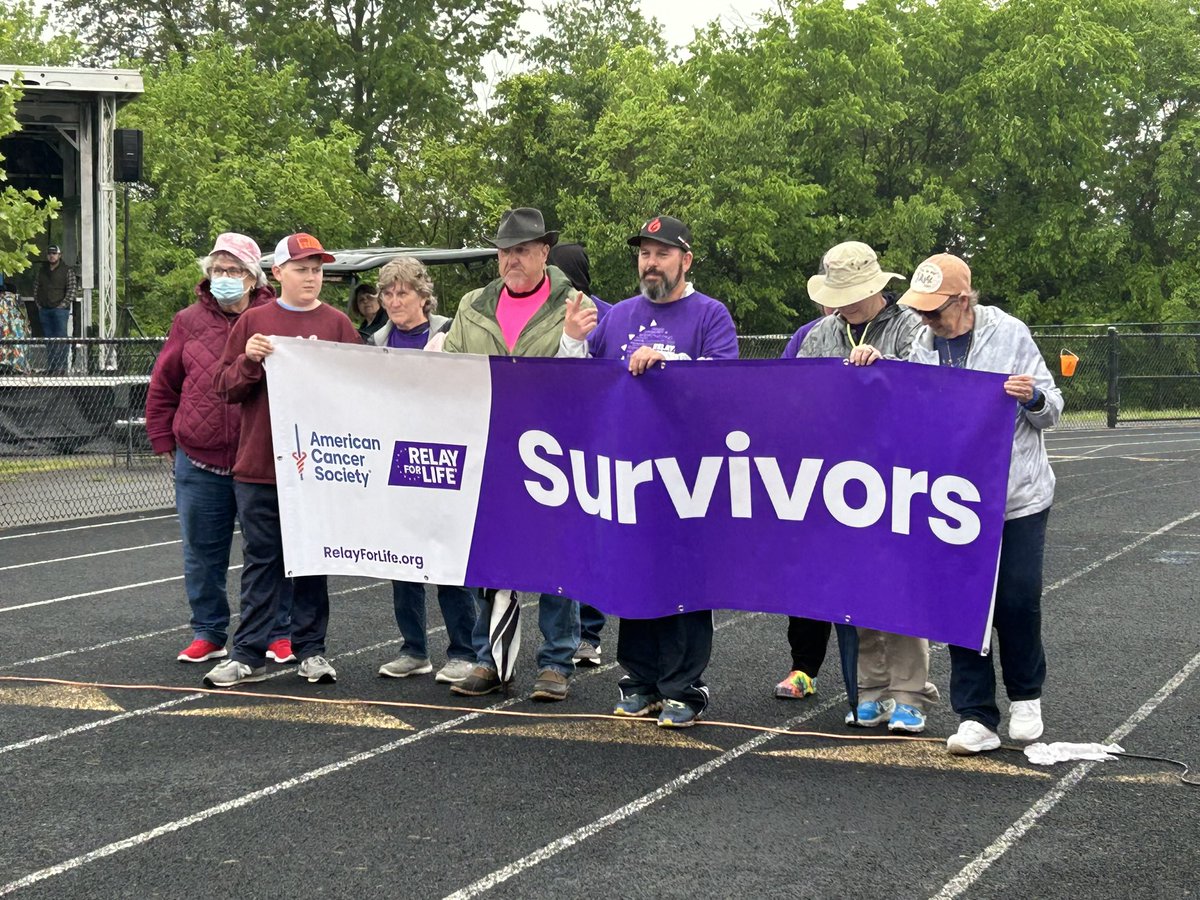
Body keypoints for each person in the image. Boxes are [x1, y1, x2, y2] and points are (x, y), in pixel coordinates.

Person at [896, 253, 1062, 753]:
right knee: (963, 603)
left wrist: (1031, 397)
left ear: (964, 300)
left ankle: (1026, 695)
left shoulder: (1010, 333)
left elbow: (1052, 409)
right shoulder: (920, 344)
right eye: (920, 310)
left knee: (1016, 595)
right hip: (952, 500)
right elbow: (904, 405)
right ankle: (975, 714)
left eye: (934, 310)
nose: (926, 319)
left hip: (1016, 497)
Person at [776, 240, 937, 735]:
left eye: (851, 292)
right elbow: (795, 396)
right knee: (856, 584)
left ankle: (909, 691)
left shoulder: (910, 325)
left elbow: (932, 386)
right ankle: (868, 689)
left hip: (899, 473)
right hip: (837, 477)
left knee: (899, 584)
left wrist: (883, 369)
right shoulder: (820, 333)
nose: (842, 302)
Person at [585, 214, 738, 728]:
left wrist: (668, 367)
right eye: (644, 254)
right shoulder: (619, 314)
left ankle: (684, 687)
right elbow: (582, 383)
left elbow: (726, 386)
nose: (651, 263)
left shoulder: (710, 314)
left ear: (685, 260)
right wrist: (568, 340)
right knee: (634, 574)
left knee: (686, 580)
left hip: (689, 474)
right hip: (628, 472)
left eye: (662, 253)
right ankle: (641, 680)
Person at [444, 207, 596, 702]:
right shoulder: (471, 305)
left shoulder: (574, 304)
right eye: (506, 250)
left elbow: (591, 379)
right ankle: (492, 660)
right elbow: (448, 370)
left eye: (523, 250)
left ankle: (556, 661)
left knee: (556, 555)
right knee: (493, 559)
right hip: (491, 448)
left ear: (544, 252)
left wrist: (574, 340)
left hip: (554, 450)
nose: (512, 259)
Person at [204, 233, 361, 688]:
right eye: (302, 269)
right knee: (263, 562)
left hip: (318, 467)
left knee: (313, 561)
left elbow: (360, 388)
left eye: (317, 269)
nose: (312, 277)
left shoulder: (337, 324)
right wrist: (250, 360)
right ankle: (248, 652)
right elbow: (224, 387)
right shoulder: (254, 321)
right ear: (278, 273)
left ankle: (311, 650)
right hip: (259, 465)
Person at [146, 234, 297, 666]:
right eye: (217, 270)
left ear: (253, 278)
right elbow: (164, 384)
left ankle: (278, 631)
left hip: (262, 461)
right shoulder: (187, 321)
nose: (224, 278)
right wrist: (163, 440)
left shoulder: (278, 318)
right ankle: (208, 631)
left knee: (271, 553)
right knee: (202, 554)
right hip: (198, 459)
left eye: (233, 271)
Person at [369, 256, 480, 684]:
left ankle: (463, 650)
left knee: (448, 559)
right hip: (393, 461)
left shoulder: (452, 332)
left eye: (404, 292)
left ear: (424, 295)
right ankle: (414, 649)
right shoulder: (375, 342)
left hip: (445, 457)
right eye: (388, 293)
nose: (395, 301)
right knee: (402, 559)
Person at [547, 241, 609, 667]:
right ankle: (582, 632)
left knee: (590, 538)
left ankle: (590, 631)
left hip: (593, 438)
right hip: (553, 441)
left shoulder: (605, 312)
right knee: (567, 542)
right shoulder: (544, 310)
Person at [32, 245, 77, 373]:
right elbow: (36, 288)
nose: (52, 256)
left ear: (59, 255)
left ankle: (61, 367)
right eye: (50, 253)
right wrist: (39, 305)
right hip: (44, 310)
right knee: (48, 340)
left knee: (61, 339)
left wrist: (62, 305)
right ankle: (52, 367)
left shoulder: (67, 270)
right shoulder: (42, 271)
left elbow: (72, 290)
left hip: (60, 311)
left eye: (54, 253)